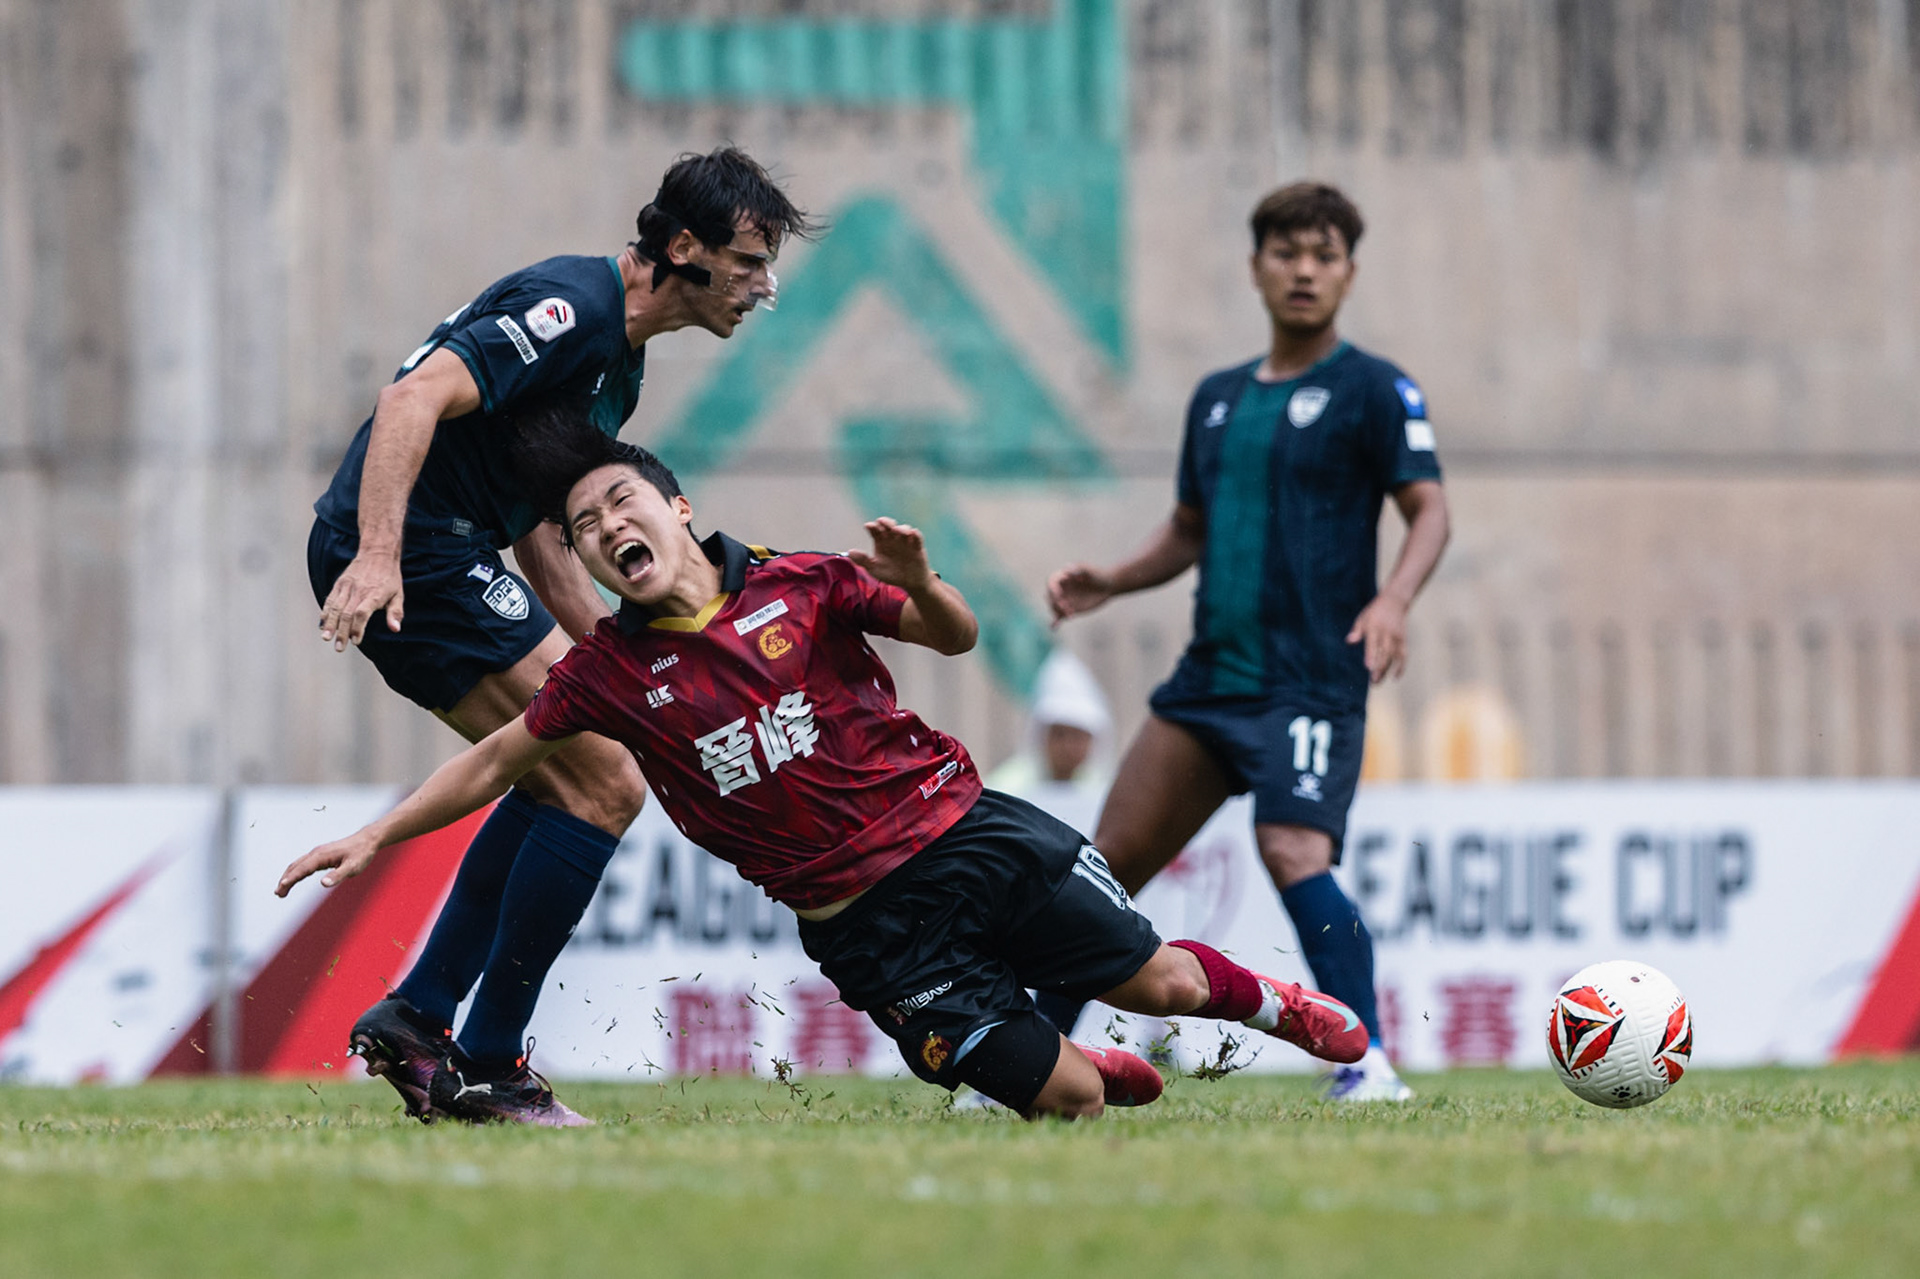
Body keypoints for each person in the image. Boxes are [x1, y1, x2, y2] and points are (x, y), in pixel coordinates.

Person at [277, 428, 1371, 1123]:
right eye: (586, 530)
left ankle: (1281, 1003)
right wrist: (374, 838)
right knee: (1075, 1098)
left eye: (625, 506)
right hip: (869, 932)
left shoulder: (802, 584)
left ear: (680, 510)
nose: (610, 530)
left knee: (1163, 986)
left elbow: (957, 636)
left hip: (973, 838)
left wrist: (921, 581)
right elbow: (495, 760)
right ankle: (1098, 1073)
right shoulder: (611, 672)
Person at [305, 146, 818, 1123]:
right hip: (414, 549)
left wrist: (617, 660)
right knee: (601, 779)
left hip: (454, 553)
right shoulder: (575, 307)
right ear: (680, 248)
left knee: (574, 770)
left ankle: (423, 1016)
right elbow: (410, 399)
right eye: (748, 263)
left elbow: (543, 531)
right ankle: (484, 1058)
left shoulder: (615, 371)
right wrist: (376, 554)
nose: (763, 288)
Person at [1041, 182, 1450, 1102]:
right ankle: (1025, 1059)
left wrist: (1393, 599)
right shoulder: (1218, 400)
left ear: (1348, 271)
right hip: (1210, 681)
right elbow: (1190, 528)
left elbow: (1430, 509)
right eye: (1287, 252)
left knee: (1295, 851)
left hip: (1310, 679)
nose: (1305, 270)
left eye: (1325, 255)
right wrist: (1113, 576)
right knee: (1100, 868)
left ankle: (1367, 1062)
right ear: (1257, 266)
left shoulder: (1375, 389)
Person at [983, 647, 1115, 837]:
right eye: (1059, 734)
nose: (1068, 746)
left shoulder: (1108, 798)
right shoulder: (1003, 793)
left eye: (1077, 736)